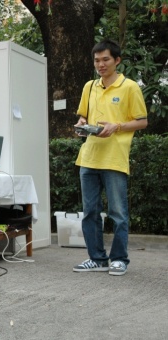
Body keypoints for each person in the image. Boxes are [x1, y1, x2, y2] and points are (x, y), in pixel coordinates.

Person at [72, 39, 147, 276]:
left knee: (118, 213)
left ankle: (119, 259)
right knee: (90, 212)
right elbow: (83, 117)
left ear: (117, 60)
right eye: (97, 60)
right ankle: (97, 259)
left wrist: (117, 126)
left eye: (105, 59)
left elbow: (143, 121)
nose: (101, 64)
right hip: (88, 157)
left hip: (114, 158)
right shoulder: (89, 86)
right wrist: (81, 124)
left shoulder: (130, 87)